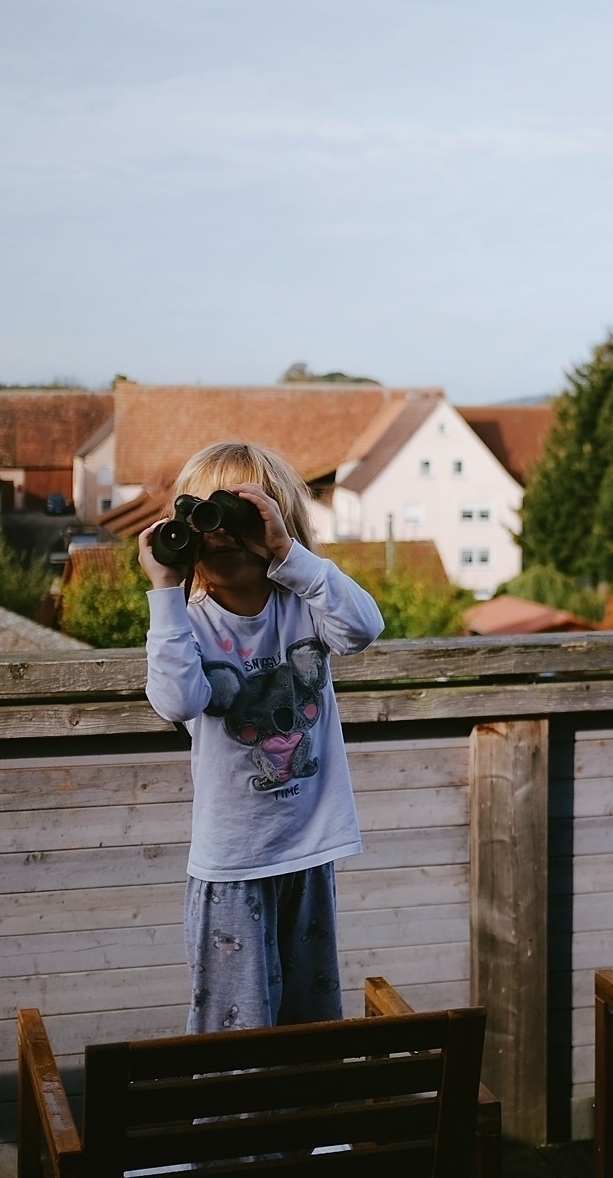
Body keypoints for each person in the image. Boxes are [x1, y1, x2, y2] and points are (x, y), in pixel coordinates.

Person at [140, 440, 384, 1033]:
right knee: (234, 1039)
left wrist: (288, 554)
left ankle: (317, 1129)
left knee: (312, 1029)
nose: (223, 531)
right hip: (231, 867)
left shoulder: (306, 605)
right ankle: (235, 1128)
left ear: (280, 523)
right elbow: (176, 700)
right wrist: (165, 595)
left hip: (309, 853)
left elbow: (363, 629)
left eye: (241, 513)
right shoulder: (188, 626)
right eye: (204, 515)